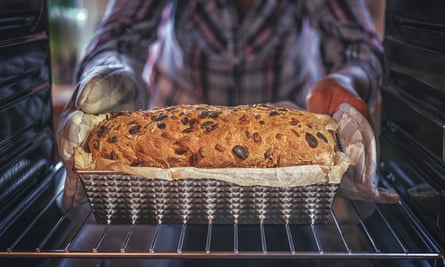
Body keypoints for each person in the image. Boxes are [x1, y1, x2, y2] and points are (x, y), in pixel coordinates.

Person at [57, 0, 384, 209]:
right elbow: (119, 34)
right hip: (174, 168)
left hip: (290, 167)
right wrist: (111, 72)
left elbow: (360, 46)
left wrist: (349, 81)